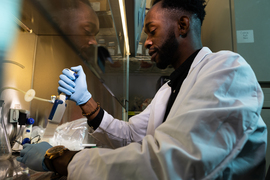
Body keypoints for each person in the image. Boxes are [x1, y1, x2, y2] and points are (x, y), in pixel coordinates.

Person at [17, 0, 267, 179]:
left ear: (182, 25)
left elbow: (172, 164)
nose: (146, 41)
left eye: (152, 30)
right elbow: (128, 137)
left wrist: (58, 158)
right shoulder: (167, 90)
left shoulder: (226, 68)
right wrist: (85, 100)